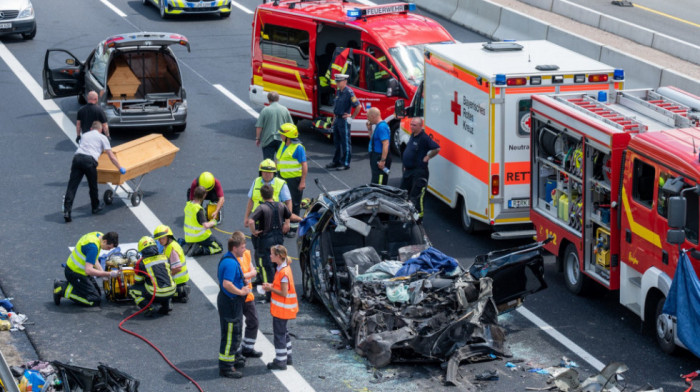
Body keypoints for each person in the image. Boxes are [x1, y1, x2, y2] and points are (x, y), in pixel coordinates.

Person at [63, 121, 125, 223]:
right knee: (93, 186)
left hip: (77, 158)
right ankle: (95, 207)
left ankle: (67, 210)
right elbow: (111, 156)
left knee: (72, 186)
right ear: (100, 130)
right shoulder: (102, 137)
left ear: (91, 128)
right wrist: (119, 167)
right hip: (89, 161)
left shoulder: (85, 134)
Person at [248, 185, 301, 302]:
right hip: (279, 240)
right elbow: (290, 216)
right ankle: (279, 287)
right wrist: (302, 219)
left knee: (266, 267)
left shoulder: (261, 208)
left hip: (266, 241)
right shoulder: (281, 205)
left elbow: (250, 220)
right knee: (278, 265)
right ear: (273, 194)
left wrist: (254, 231)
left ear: (261, 195)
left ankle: (270, 294)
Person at [217, 232, 252, 379]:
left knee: (234, 332)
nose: (244, 249)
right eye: (243, 247)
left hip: (230, 301)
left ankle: (234, 358)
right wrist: (241, 291)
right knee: (231, 334)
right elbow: (227, 283)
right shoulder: (231, 263)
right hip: (230, 302)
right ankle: (226, 367)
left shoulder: (230, 259)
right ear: (235, 248)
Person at [53, 231, 119, 307]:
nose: (108, 250)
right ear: (105, 241)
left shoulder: (98, 235)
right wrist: (108, 274)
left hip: (78, 270)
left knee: (98, 293)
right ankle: (61, 288)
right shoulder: (93, 247)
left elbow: (93, 258)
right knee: (94, 300)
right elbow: (88, 270)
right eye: (108, 247)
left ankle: (76, 286)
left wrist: (101, 271)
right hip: (74, 273)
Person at [262, 244, 298, 370]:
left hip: (282, 310)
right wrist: (271, 285)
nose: (270, 256)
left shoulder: (283, 273)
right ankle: (287, 357)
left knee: (279, 335)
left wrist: (269, 288)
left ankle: (280, 361)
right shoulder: (283, 267)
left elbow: (283, 292)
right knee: (284, 333)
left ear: (278, 256)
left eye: (272, 254)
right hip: (285, 309)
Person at [401, 117, 440, 222]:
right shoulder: (413, 135)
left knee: (417, 196)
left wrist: (428, 157)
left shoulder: (424, 138)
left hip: (419, 172)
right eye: (411, 124)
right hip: (409, 170)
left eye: (414, 125)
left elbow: (437, 148)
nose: (411, 126)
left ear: (420, 126)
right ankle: (404, 216)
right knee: (402, 193)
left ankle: (418, 219)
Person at [128, 236, 177, 316]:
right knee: (162, 282)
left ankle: (149, 307)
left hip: (157, 293)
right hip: (172, 291)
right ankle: (166, 305)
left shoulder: (141, 263)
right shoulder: (165, 257)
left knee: (132, 290)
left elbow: (138, 282)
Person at [275, 123, 308, 237]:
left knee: (294, 203)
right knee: (282, 201)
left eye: (282, 134)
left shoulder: (298, 148)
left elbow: (304, 165)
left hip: (294, 180)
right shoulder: (283, 145)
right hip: (282, 178)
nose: (280, 136)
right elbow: (279, 160)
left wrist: (302, 181)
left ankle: (293, 228)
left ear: (288, 136)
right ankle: (285, 223)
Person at [234, 235, 262, 359]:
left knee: (253, 321)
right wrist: (250, 274)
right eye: (242, 247)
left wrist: (248, 274)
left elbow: (252, 271)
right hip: (237, 296)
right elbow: (244, 275)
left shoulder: (246, 254)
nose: (244, 249)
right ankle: (235, 351)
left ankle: (248, 348)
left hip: (248, 295)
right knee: (237, 325)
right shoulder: (233, 259)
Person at [325, 74, 361, 171]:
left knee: (345, 142)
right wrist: (333, 119)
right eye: (336, 81)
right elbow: (336, 107)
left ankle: (345, 163)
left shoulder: (349, 92)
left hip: (344, 120)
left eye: (339, 81)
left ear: (345, 81)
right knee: (336, 142)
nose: (337, 83)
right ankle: (336, 161)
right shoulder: (338, 91)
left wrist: (351, 117)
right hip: (337, 119)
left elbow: (358, 106)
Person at [153, 225, 190, 303]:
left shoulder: (172, 249)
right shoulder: (169, 245)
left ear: (168, 237)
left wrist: (165, 276)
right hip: (176, 281)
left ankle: (180, 293)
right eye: (159, 239)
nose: (160, 241)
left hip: (177, 282)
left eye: (162, 238)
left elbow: (178, 268)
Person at [184, 186, 223, 257]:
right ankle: (200, 249)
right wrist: (214, 221)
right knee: (219, 247)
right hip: (200, 237)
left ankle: (189, 245)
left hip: (188, 237)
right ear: (204, 196)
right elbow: (206, 225)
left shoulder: (188, 206)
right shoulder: (198, 210)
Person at [255, 91, 293, 160]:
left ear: (268, 99)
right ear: (278, 99)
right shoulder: (285, 110)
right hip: (282, 139)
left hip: (268, 139)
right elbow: (291, 125)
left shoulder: (265, 110)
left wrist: (258, 138)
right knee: (282, 161)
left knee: (268, 163)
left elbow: (259, 126)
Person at [366, 107, 391, 185]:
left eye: (368, 117)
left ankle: (379, 196)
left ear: (373, 116)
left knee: (379, 183)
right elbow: (373, 140)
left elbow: (386, 143)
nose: (368, 119)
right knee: (375, 179)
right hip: (376, 156)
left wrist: (382, 160)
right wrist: (369, 129)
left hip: (379, 157)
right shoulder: (379, 126)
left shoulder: (381, 127)